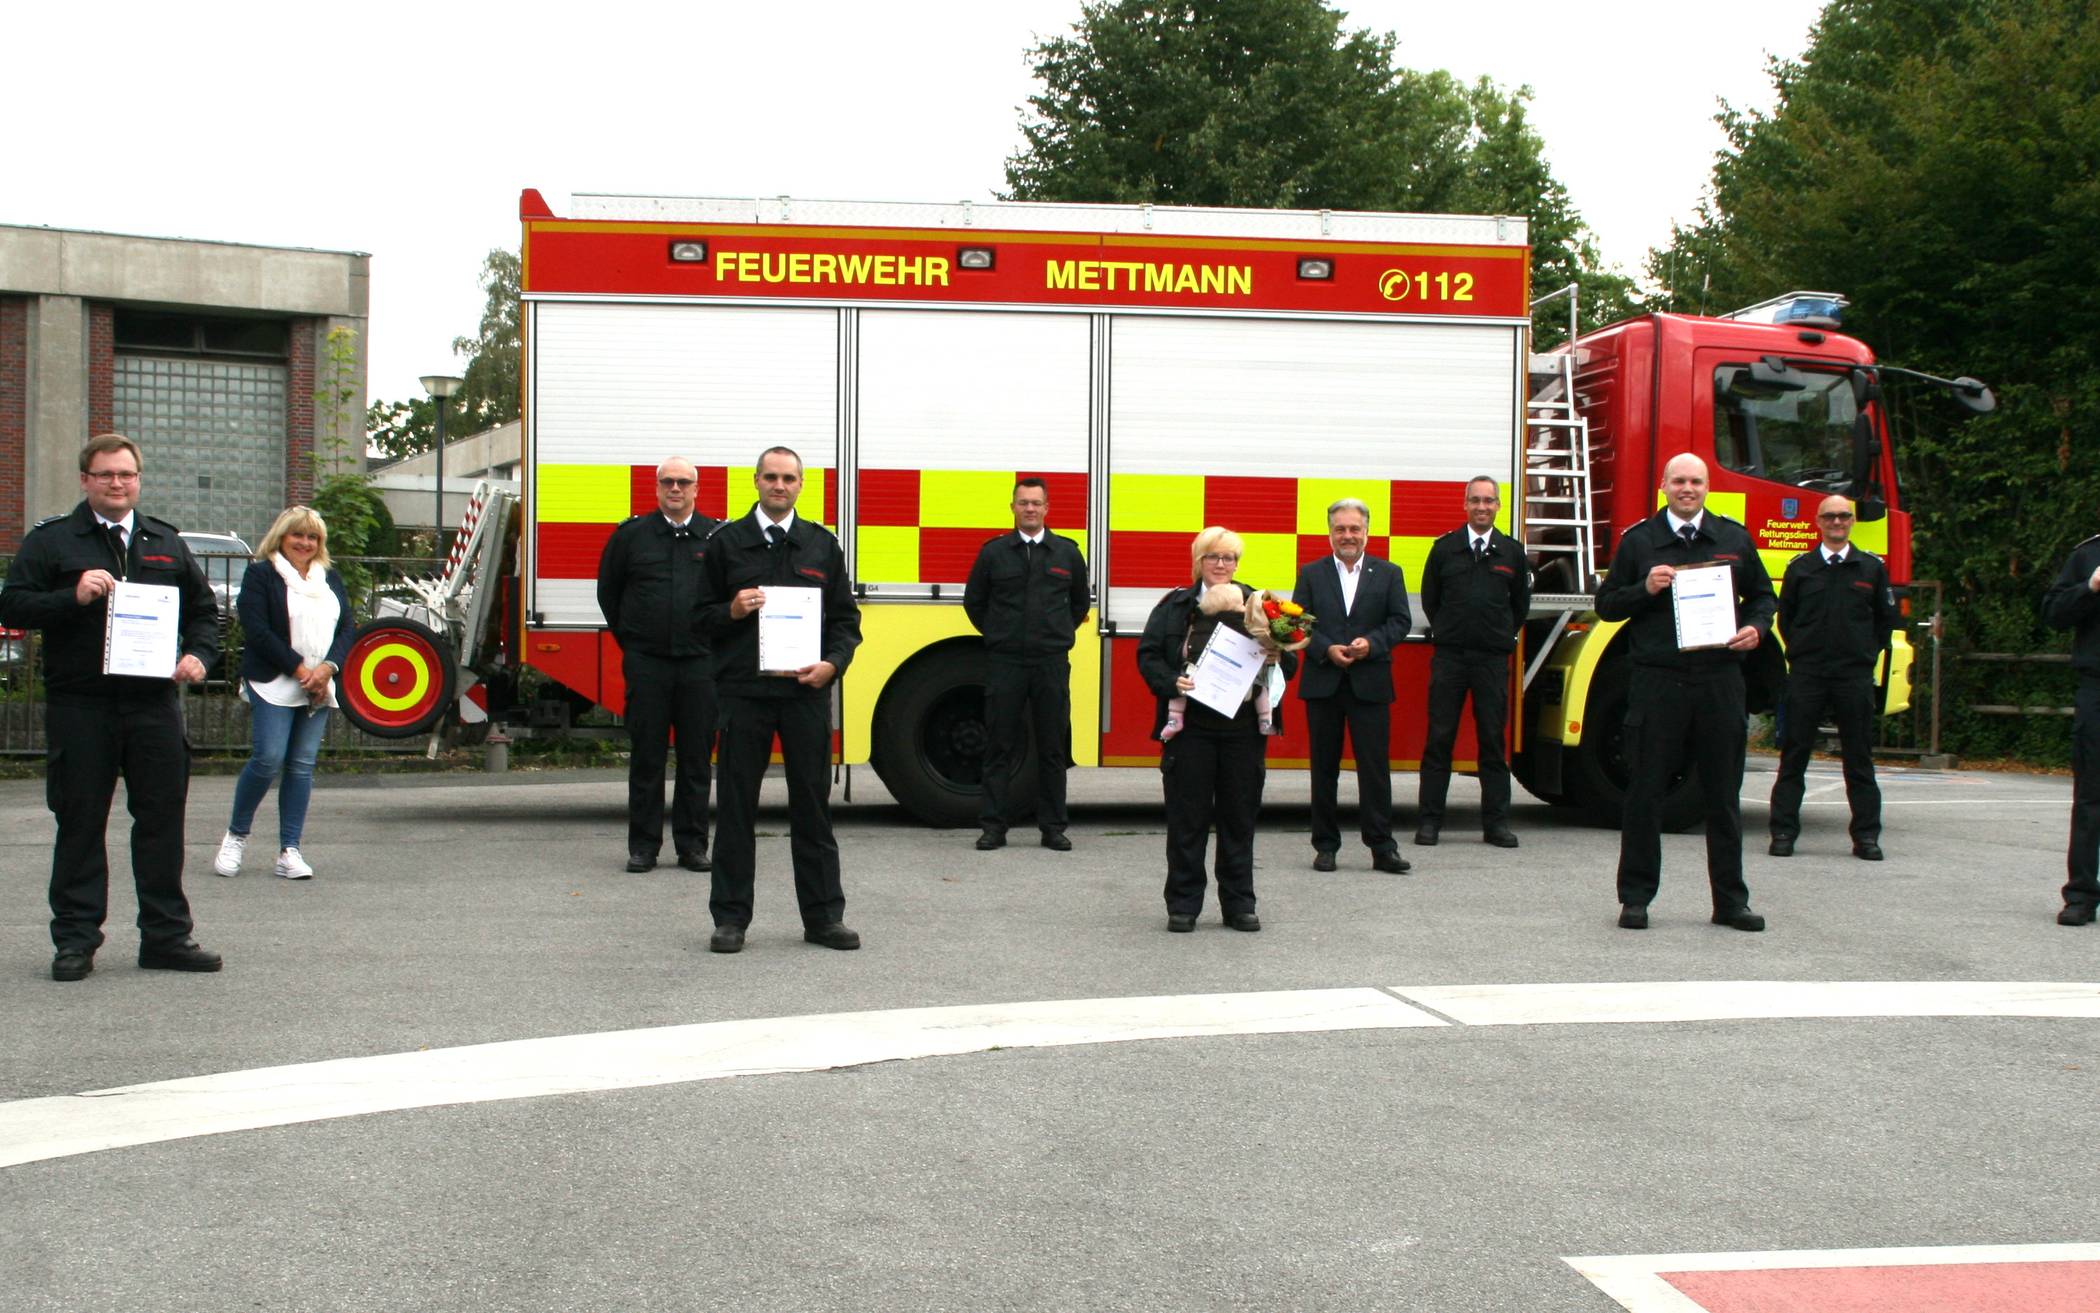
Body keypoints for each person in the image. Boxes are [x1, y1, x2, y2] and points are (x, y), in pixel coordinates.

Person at [0, 433, 222, 981]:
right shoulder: (53, 541)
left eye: (126, 475)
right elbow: (12, 603)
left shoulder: (163, 541)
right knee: (79, 823)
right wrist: (69, 596)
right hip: (82, 705)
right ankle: (75, 941)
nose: (117, 484)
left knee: (162, 822)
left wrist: (198, 656)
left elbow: (204, 611)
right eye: (105, 475)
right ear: (85, 480)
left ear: (138, 480)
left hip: (152, 705)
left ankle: (166, 937)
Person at [1595, 453, 1776, 932]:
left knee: (1722, 796)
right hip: (1659, 681)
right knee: (1645, 793)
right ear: (1663, 485)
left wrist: (1757, 627)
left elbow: (1763, 596)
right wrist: (1644, 589)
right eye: (1678, 481)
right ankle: (1635, 899)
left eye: (1696, 481)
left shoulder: (1733, 538)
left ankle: (1730, 902)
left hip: (1719, 679)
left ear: (1707, 486)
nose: (1687, 489)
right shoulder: (1640, 542)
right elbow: (1607, 605)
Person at [698, 447, 863, 953]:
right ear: (755, 482)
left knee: (812, 807)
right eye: (770, 476)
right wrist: (729, 609)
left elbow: (845, 623)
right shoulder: (727, 543)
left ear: (801, 485)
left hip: (804, 696)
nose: (779, 485)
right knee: (735, 809)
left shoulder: (820, 545)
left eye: (788, 478)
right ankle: (730, 919)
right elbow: (695, 619)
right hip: (744, 694)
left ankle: (823, 918)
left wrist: (832, 664)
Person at [1137, 527, 1298, 933]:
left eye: (1230, 558)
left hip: (1243, 728)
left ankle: (1239, 904)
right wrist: (1172, 681)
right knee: (1187, 819)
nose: (1222, 565)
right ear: (1199, 562)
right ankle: (1184, 905)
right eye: (1214, 557)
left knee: (1239, 819)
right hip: (1191, 730)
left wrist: (1278, 655)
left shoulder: (1263, 604)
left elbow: (1292, 661)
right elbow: (1149, 655)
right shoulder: (1176, 606)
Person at [213, 506, 355, 881]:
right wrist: (300, 669)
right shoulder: (262, 575)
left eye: (313, 537)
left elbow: (348, 628)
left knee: (302, 766)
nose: (305, 543)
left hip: (319, 684)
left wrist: (327, 669)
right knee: (268, 758)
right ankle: (236, 836)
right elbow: (257, 630)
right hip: (274, 679)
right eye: (298, 535)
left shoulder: (330, 579)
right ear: (281, 536)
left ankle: (289, 850)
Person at [597, 457, 723, 874]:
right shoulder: (632, 537)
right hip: (647, 662)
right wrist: (633, 640)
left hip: (700, 664)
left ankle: (692, 845)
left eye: (683, 482)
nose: (675, 488)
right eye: (667, 481)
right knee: (647, 755)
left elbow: (729, 596)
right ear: (656, 488)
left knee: (696, 757)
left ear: (696, 489)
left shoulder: (717, 537)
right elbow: (609, 593)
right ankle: (644, 847)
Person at [1767, 495, 1898, 861]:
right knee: (1794, 756)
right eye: (1830, 517)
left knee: (1859, 759)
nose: (1837, 522)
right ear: (1818, 522)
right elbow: (1786, 620)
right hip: (1808, 675)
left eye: (1843, 516)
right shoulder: (1801, 568)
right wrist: (1805, 653)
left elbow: (1884, 623)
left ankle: (1867, 837)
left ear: (1852, 521)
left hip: (1852, 677)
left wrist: (1863, 655)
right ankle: (1783, 832)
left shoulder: (1871, 569)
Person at [963, 477, 1091, 852]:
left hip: (1050, 662)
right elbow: (975, 602)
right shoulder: (994, 553)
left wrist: (1055, 634)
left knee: (1052, 747)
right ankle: (993, 827)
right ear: (1013, 508)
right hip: (1006, 662)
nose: (1030, 509)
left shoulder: (1067, 553)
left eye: (1036, 503)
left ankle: (1053, 827)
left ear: (1047, 508)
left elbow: (1079, 604)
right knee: (999, 745)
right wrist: (999, 635)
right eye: (1023, 503)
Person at [1291, 497, 1413, 873]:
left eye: (1354, 529)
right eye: (1340, 529)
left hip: (1370, 682)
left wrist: (1370, 644)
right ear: (1329, 533)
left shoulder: (1389, 573)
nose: (1348, 535)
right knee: (1323, 769)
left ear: (1366, 532)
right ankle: (1325, 846)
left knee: (1374, 769)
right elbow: (1299, 624)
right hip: (1324, 683)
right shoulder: (1310, 574)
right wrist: (1327, 649)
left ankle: (1382, 847)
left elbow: (1400, 621)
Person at [1417, 477, 1531, 848]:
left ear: (1498, 506)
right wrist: (1452, 629)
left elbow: (1519, 607)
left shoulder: (1511, 552)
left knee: (1492, 742)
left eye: (1489, 501)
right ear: (1465, 505)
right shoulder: (1445, 549)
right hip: (1450, 658)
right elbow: (1431, 600)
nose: (1482, 507)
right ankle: (1430, 822)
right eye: (1475, 500)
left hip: (1491, 660)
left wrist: (1495, 635)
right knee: (1439, 740)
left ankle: (1496, 825)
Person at [2042, 530, 2100, 926]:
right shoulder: (2087, 556)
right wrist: (2091, 586)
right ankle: (2080, 894)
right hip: (2097, 686)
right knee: (2091, 797)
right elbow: (2053, 613)